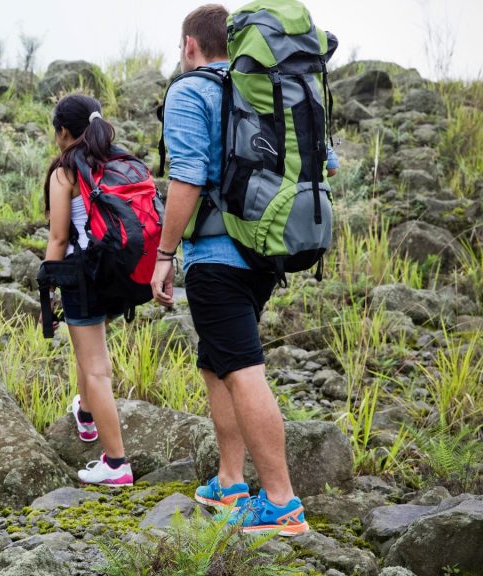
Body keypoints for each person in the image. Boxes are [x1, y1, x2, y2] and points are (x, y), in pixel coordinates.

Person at [150, 4, 337, 535]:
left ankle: (280, 503)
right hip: (262, 250)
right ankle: (230, 482)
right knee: (216, 363)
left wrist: (164, 255)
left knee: (240, 368)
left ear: (190, 45)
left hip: (216, 257)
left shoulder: (190, 91)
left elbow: (185, 179)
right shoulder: (264, 91)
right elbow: (324, 159)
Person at [42, 94, 133, 487]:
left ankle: (116, 463)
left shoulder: (65, 172)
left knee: (96, 368)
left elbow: (60, 237)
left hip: (83, 273)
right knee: (89, 345)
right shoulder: (116, 161)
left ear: (63, 132)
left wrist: (48, 277)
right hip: (117, 271)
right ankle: (85, 414)